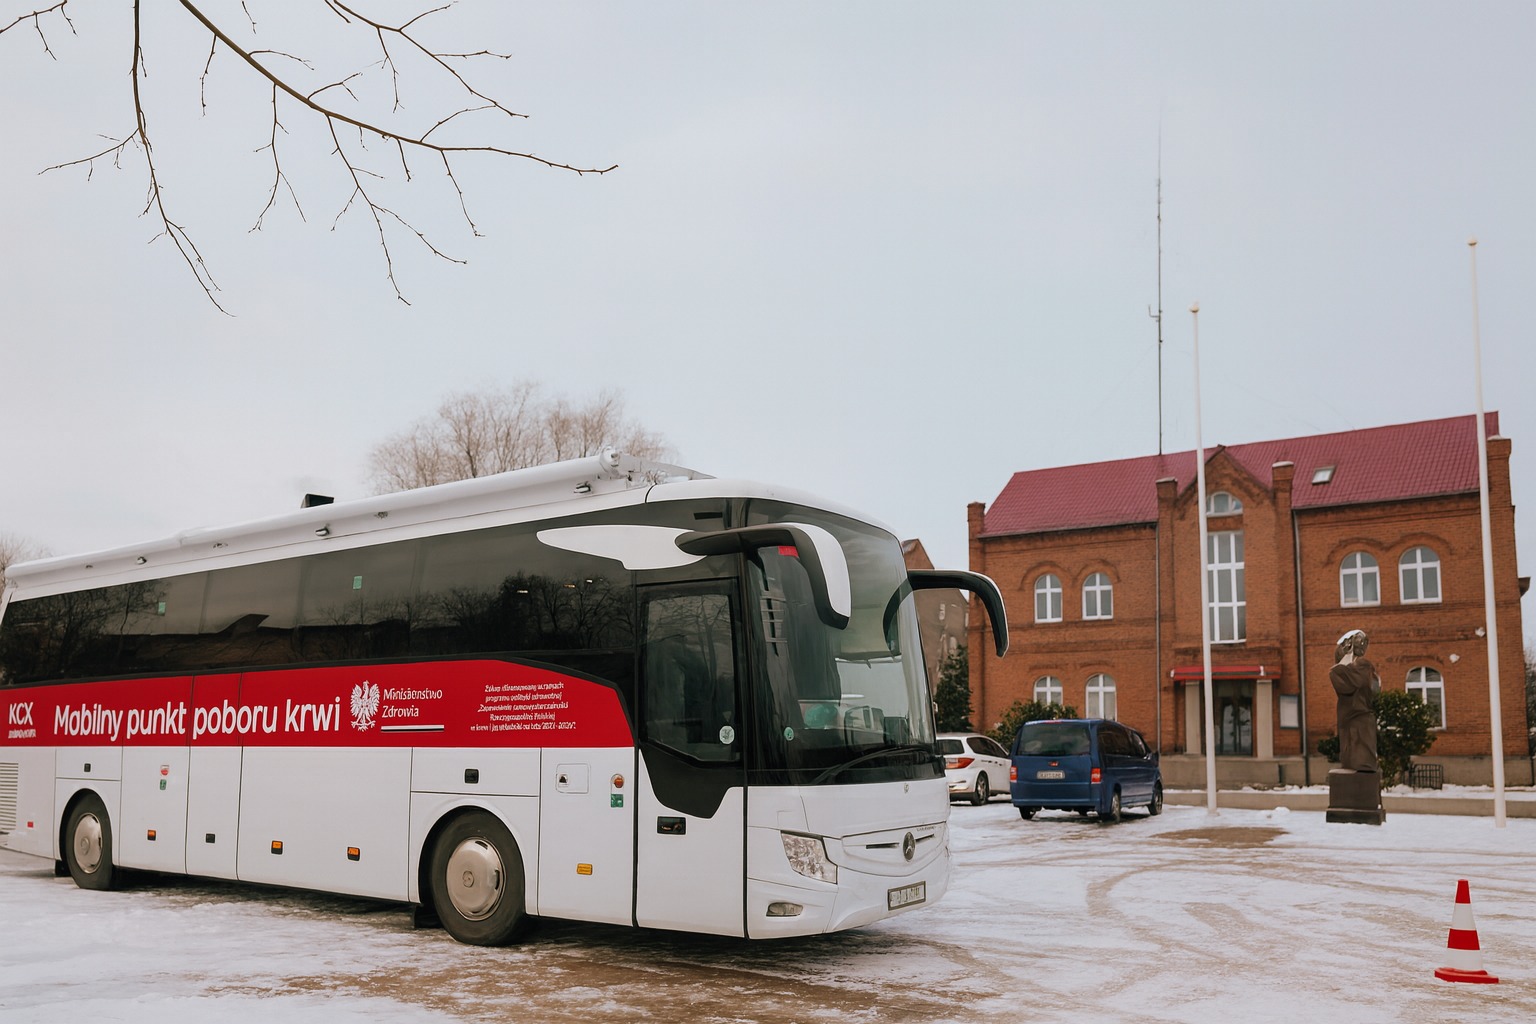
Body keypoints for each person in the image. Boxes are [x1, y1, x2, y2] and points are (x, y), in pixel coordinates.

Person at [1329, 629, 1379, 773]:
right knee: (1350, 753)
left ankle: (1363, 769)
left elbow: (1343, 678)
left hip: (1360, 716)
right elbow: (1337, 676)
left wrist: (1346, 659)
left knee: (1362, 756)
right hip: (1349, 716)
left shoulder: (1364, 666)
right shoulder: (1349, 669)